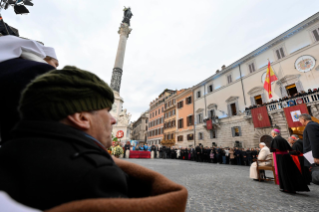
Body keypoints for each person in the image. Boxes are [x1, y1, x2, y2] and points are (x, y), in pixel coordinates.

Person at [0, 67, 188, 211]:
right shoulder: (97, 174)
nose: (114, 119)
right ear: (82, 118)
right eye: (106, 111)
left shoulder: (8, 151)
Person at [0, 35, 59, 142]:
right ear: (44, 58)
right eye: (55, 64)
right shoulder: (39, 71)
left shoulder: (8, 66)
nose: (55, 67)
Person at [270, 129, 309, 193]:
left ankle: (287, 188)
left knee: (284, 172)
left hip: (280, 158)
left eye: (272, 133)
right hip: (286, 157)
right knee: (289, 171)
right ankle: (289, 187)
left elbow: (274, 149)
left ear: (274, 133)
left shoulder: (275, 139)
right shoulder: (283, 139)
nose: (272, 134)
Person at [299, 113, 319, 184]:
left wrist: (316, 156)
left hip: (315, 156)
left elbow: (314, 141)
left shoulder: (310, 126)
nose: (300, 122)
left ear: (303, 120)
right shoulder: (313, 125)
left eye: (300, 121)